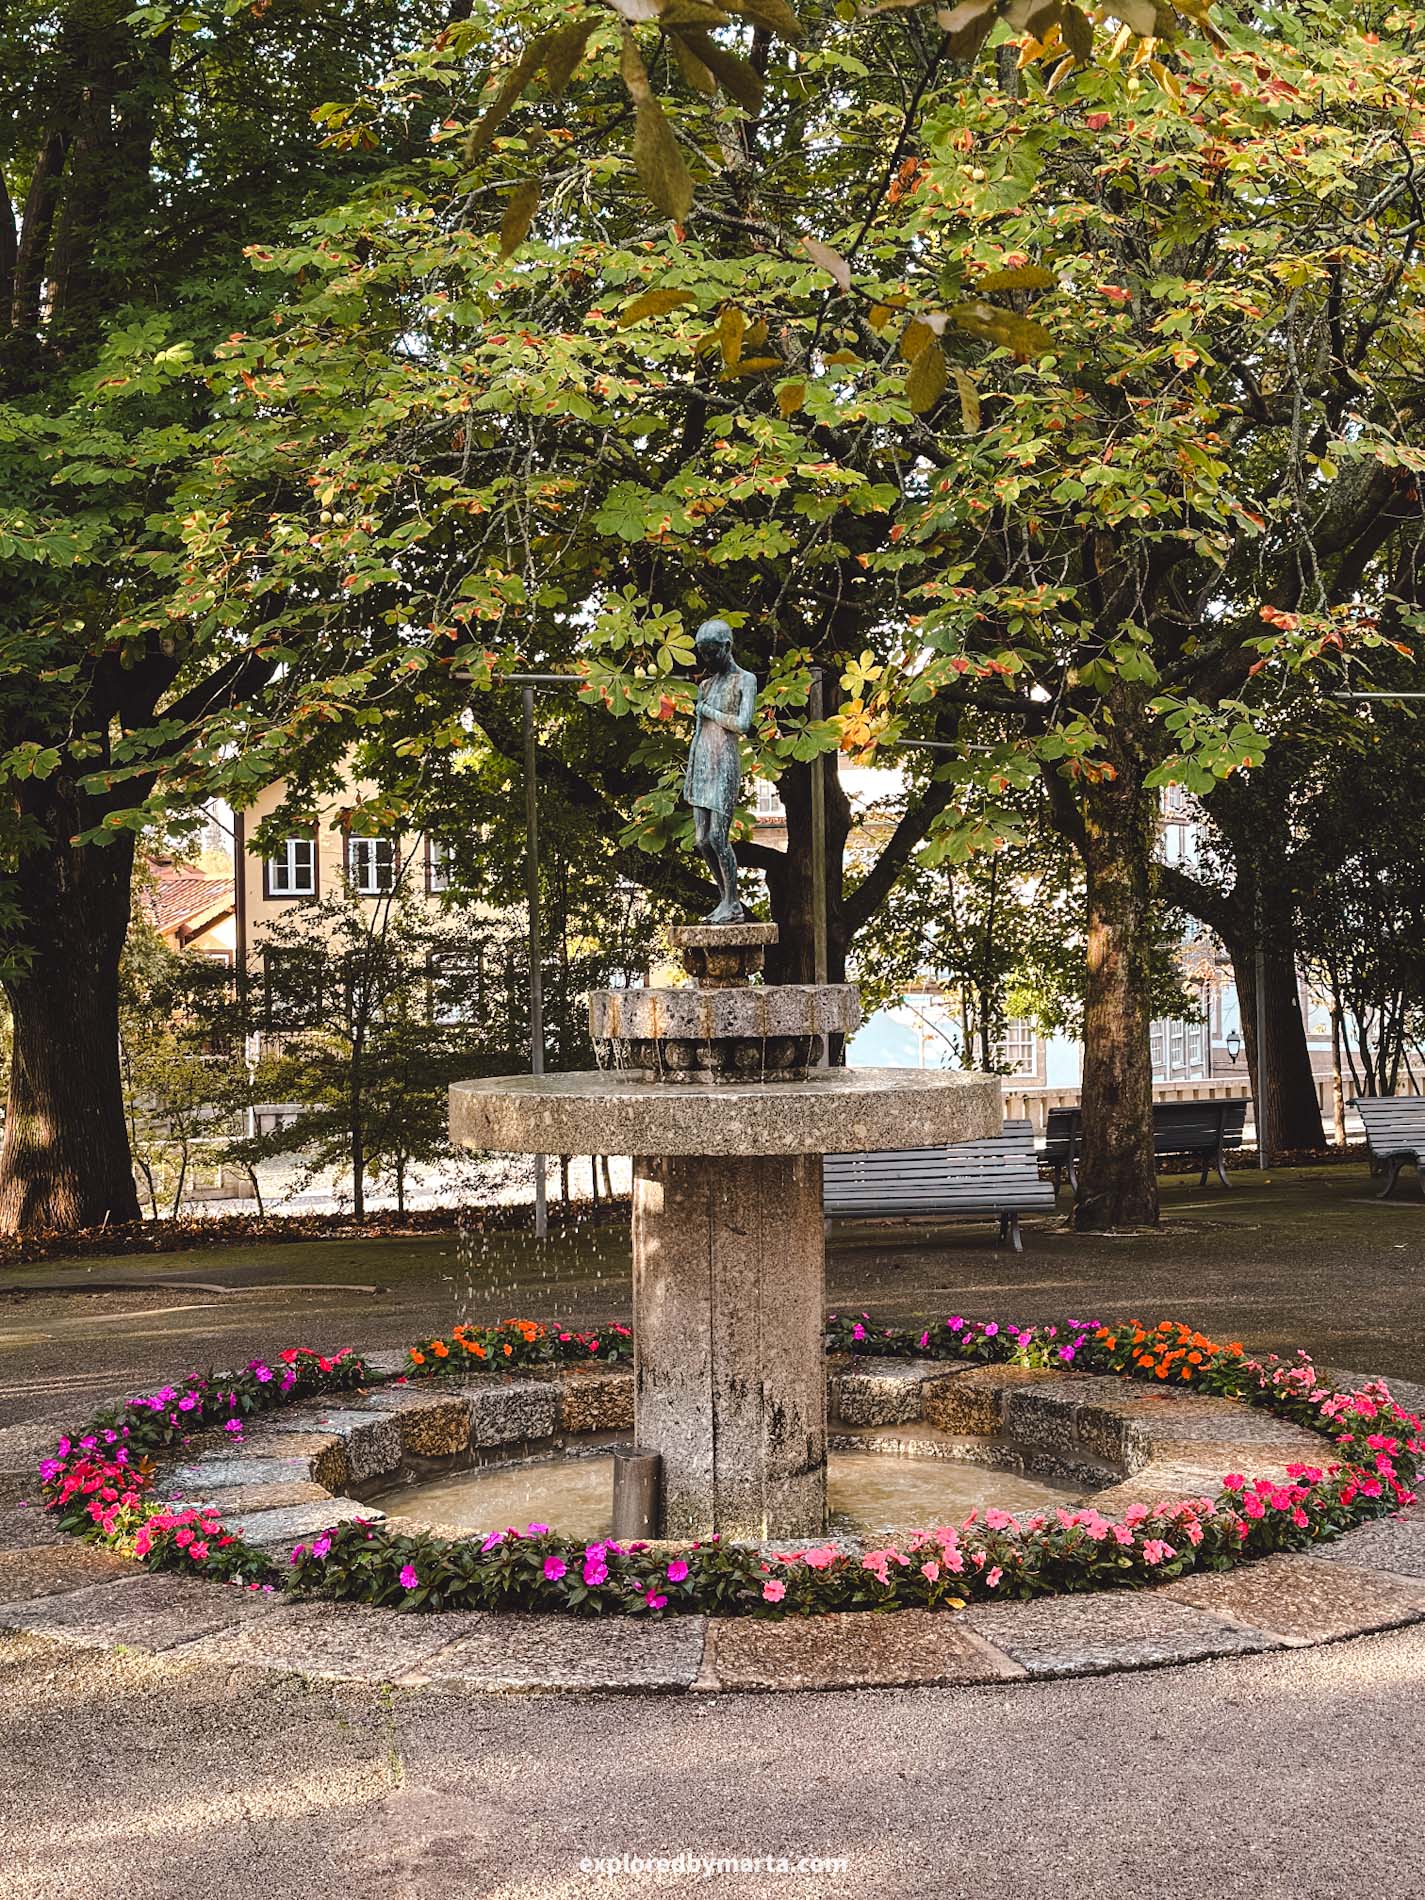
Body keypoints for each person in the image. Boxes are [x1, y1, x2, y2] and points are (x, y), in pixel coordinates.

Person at [682, 617, 757, 924]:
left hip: (724, 764)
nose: (708, 660)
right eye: (704, 655)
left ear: (727, 647)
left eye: (712, 653)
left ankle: (734, 903)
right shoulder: (705, 685)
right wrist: (690, 773)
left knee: (717, 836)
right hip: (702, 765)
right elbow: (698, 733)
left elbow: (743, 724)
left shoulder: (745, 680)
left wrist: (710, 711)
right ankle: (724, 899)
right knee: (701, 840)